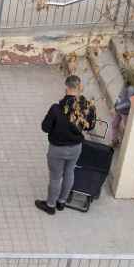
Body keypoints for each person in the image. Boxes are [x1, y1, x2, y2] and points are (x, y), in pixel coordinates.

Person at [36, 75, 95, 215]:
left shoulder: (56, 108)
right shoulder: (86, 106)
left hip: (57, 149)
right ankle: (61, 202)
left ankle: (50, 205)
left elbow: (45, 128)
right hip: (76, 148)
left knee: (56, 177)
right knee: (69, 172)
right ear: (79, 87)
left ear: (66, 87)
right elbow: (90, 126)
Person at [110, 66, 134, 147]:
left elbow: (129, 103)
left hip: (125, 112)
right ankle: (114, 141)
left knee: (127, 129)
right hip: (119, 109)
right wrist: (116, 104)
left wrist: (117, 107)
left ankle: (125, 144)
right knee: (114, 124)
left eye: (125, 75)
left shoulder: (132, 89)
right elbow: (120, 95)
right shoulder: (125, 84)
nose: (124, 77)